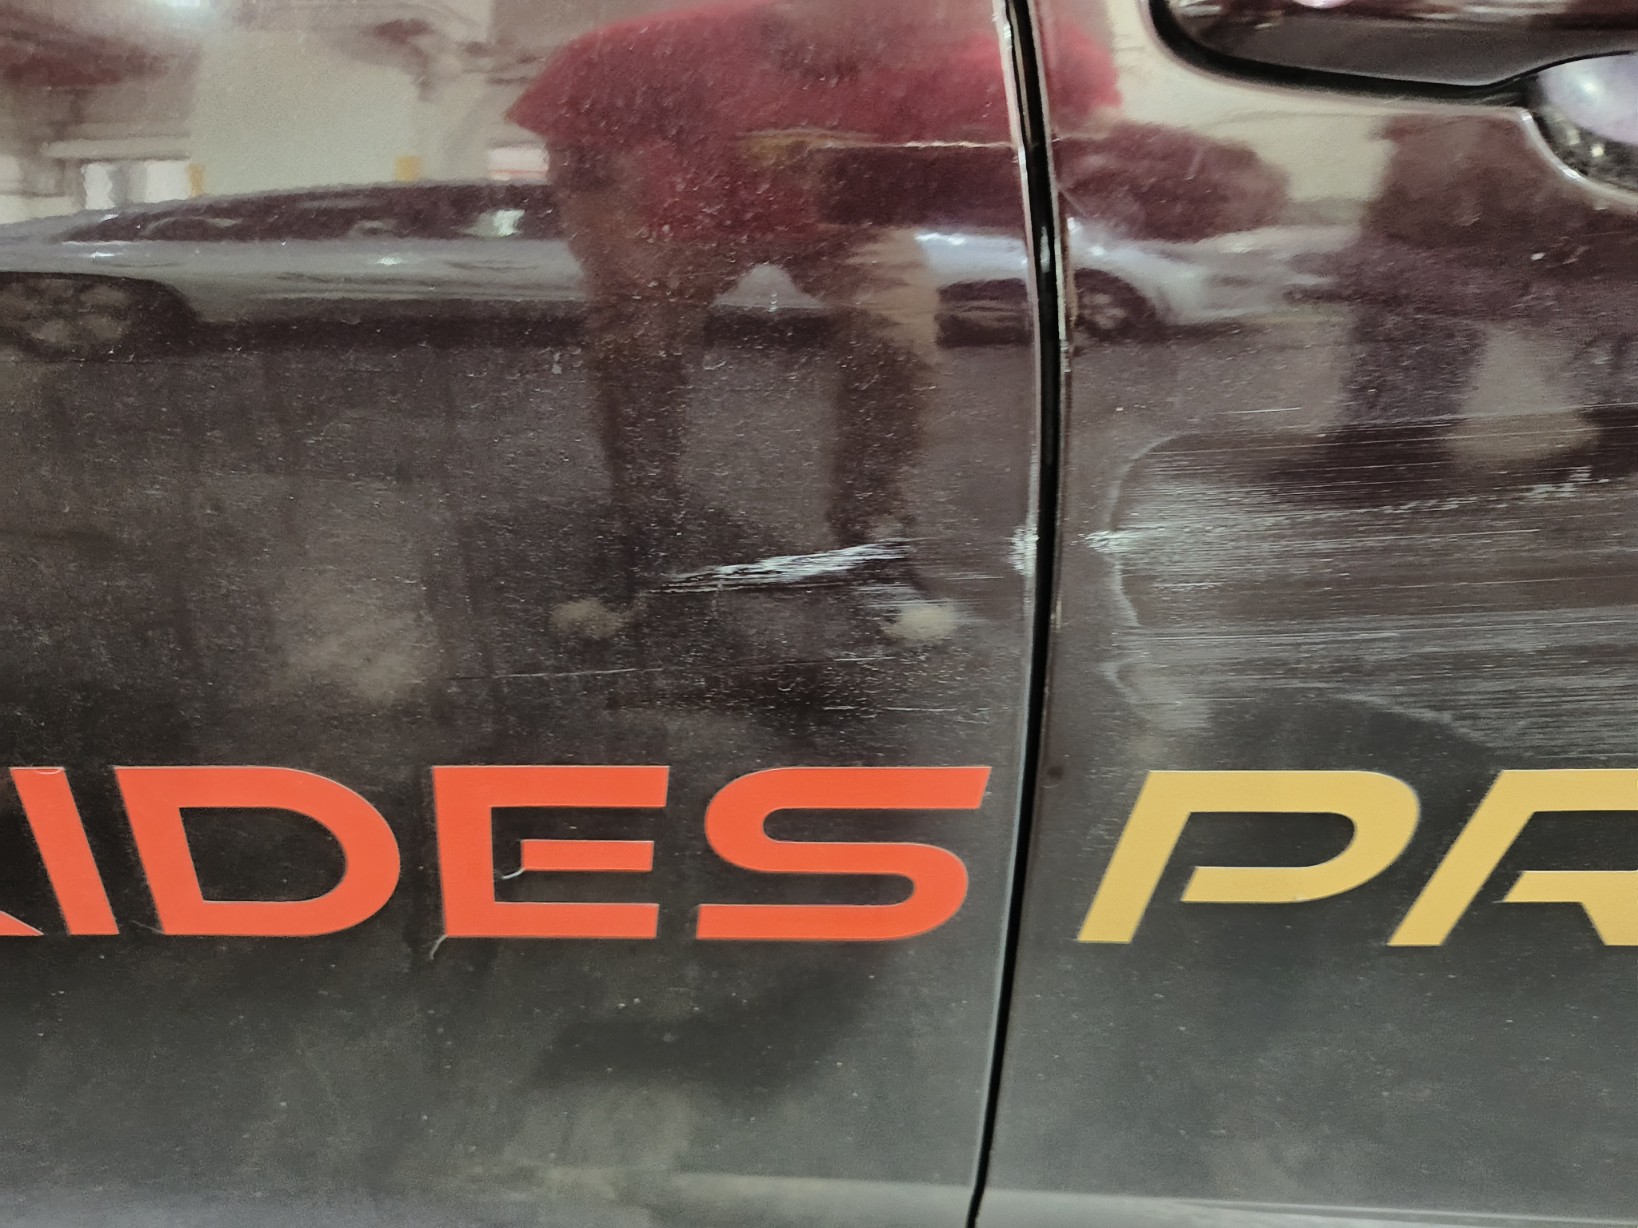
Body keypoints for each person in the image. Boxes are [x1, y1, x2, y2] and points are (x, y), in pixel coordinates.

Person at [508, 0, 1119, 636]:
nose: (901, 43)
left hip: (845, 223)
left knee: (898, 337)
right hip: (683, 220)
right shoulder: (661, 47)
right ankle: (645, 526)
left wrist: (1061, 261)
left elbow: (1076, 118)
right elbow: (580, 153)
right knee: (636, 342)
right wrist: (611, 258)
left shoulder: (954, 50)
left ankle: (870, 534)